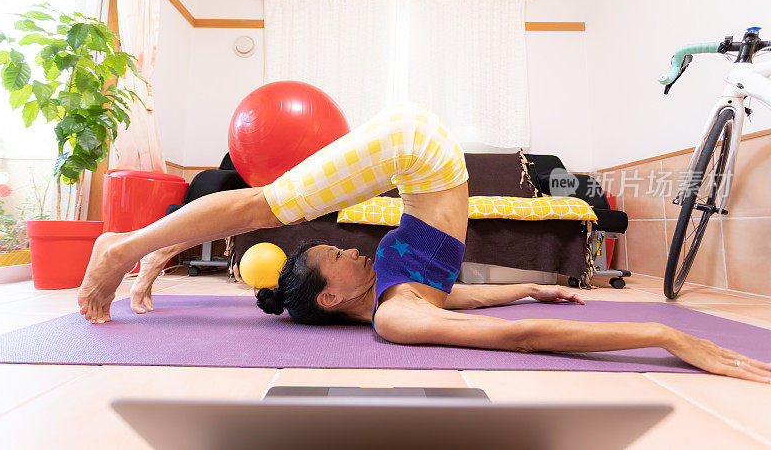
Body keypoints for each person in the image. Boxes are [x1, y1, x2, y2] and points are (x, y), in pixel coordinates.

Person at [78, 102, 771, 384]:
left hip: (418, 151)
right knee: (265, 202)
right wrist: (661, 334)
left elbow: (457, 302)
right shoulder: (397, 314)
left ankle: (128, 248)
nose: (352, 248)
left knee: (267, 204)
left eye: (343, 251)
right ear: (333, 293)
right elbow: (502, 324)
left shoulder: (390, 299)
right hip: (421, 150)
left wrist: (659, 330)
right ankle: (136, 251)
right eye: (338, 257)